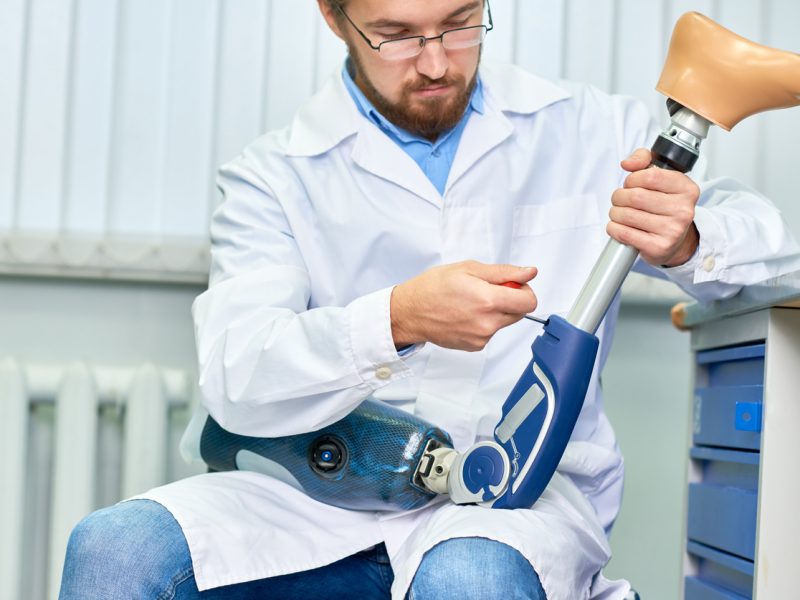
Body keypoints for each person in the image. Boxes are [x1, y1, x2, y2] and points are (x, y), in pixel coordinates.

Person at [60, 1, 800, 598]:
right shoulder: (274, 175)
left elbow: (777, 257)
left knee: (469, 578)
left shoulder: (587, 129)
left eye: (459, 21)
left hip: (515, 507)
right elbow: (236, 379)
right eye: (397, 36)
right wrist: (395, 320)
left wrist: (689, 237)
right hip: (318, 500)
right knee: (115, 550)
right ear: (332, 16)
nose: (438, 61)